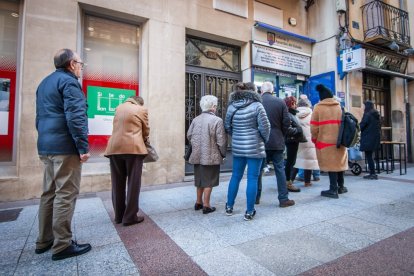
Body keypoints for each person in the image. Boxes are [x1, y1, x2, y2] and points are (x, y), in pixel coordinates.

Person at [35, 49, 91, 261]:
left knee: (48, 193)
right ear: (71, 64)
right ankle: (62, 245)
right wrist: (83, 147)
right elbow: (76, 117)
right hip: (65, 148)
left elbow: (40, 117)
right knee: (65, 194)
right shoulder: (69, 83)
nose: (81, 67)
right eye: (80, 63)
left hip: (47, 146)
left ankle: (44, 240)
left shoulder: (44, 83)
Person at [225, 82, 270, 221]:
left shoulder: (232, 106)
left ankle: (229, 207)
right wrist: (263, 139)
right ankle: (249, 211)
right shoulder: (257, 105)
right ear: (254, 92)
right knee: (253, 178)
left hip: (238, 147)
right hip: (255, 147)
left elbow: (227, 126)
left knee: (235, 176)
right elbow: (265, 127)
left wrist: (237, 136)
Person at [105, 95, 149, 226]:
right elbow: (146, 131)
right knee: (133, 183)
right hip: (133, 148)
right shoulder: (141, 109)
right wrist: (146, 143)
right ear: (139, 103)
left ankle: (119, 216)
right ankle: (130, 217)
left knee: (117, 182)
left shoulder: (118, 108)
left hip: (114, 149)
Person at [187, 95, 227, 214]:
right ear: (213, 106)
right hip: (211, 156)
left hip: (197, 155)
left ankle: (198, 202)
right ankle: (206, 205)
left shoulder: (196, 119)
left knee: (199, 180)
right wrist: (223, 154)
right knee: (209, 181)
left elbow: (189, 135)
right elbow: (221, 141)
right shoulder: (217, 120)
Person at [260, 81, 295, 208]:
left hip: (261, 142)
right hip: (277, 141)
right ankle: (283, 199)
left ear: (261, 90)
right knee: (280, 170)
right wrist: (282, 134)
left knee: (258, 171)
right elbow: (287, 122)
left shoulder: (257, 102)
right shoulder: (280, 102)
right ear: (272, 90)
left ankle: (256, 197)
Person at [311, 84, 348, 199]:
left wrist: (314, 139)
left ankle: (333, 189)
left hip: (325, 142)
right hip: (340, 141)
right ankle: (341, 186)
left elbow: (314, 128)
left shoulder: (318, 108)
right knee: (339, 162)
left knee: (331, 164)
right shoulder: (340, 107)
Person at [291, 98, 319, 187]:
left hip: (297, 140)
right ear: (308, 105)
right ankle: (307, 182)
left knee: (295, 161)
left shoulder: (294, 114)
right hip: (309, 141)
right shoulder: (312, 114)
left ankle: (290, 180)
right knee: (308, 161)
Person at [284, 96, 303, 192]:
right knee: (290, 162)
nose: (296, 105)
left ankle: (288, 181)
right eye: (294, 103)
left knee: (291, 162)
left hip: (293, 141)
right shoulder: (288, 113)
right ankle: (288, 182)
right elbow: (287, 129)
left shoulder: (292, 113)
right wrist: (298, 130)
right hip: (291, 141)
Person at [360, 100, 381, 180]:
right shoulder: (376, 114)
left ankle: (372, 173)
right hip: (375, 138)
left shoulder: (367, 114)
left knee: (369, 156)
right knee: (370, 156)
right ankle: (373, 173)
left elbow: (362, 126)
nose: (364, 107)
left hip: (368, 138)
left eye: (365, 105)